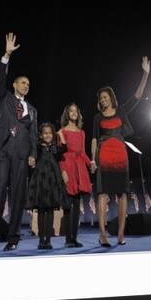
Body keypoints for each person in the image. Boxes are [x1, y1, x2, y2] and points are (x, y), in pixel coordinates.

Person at [0, 33, 38, 254]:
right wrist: (6, 55)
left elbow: (33, 134)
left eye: (28, 84)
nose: (26, 86)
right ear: (14, 84)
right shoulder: (4, 97)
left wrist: (33, 153)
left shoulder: (32, 110)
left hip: (22, 155)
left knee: (17, 196)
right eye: (23, 82)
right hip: (3, 150)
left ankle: (13, 237)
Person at [91, 56, 150, 247]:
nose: (103, 99)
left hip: (120, 156)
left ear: (111, 98)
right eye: (101, 98)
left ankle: (121, 234)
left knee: (122, 194)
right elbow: (93, 139)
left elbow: (138, 96)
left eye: (106, 96)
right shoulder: (97, 117)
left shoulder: (122, 111)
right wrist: (93, 160)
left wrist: (145, 74)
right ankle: (102, 234)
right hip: (104, 157)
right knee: (101, 195)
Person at [26, 122, 68, 250]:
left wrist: (60, 135)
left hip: (52, 182)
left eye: (50, 133)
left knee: (50, 211)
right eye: (45, 133)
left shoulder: (55, 148)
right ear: (41, 135)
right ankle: (41, 240)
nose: (48, 135)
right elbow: (32, 155)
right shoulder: (38, 148)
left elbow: (65, 148)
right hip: (40, 182)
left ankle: (48, 240)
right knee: (40, 211)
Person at [58, 103, 93, 247]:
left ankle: (74, 238)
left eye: (76, 111)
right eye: (71, 111)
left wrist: (90, 163)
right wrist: (62, 171)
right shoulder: (62, 131)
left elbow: (83, 153)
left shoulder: (81, 132)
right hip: (67, 167)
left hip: (79, 169)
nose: (74, 113)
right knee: (68, 205)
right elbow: (60, 154)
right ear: (67, 114)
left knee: (77, 205)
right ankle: (67, 240)